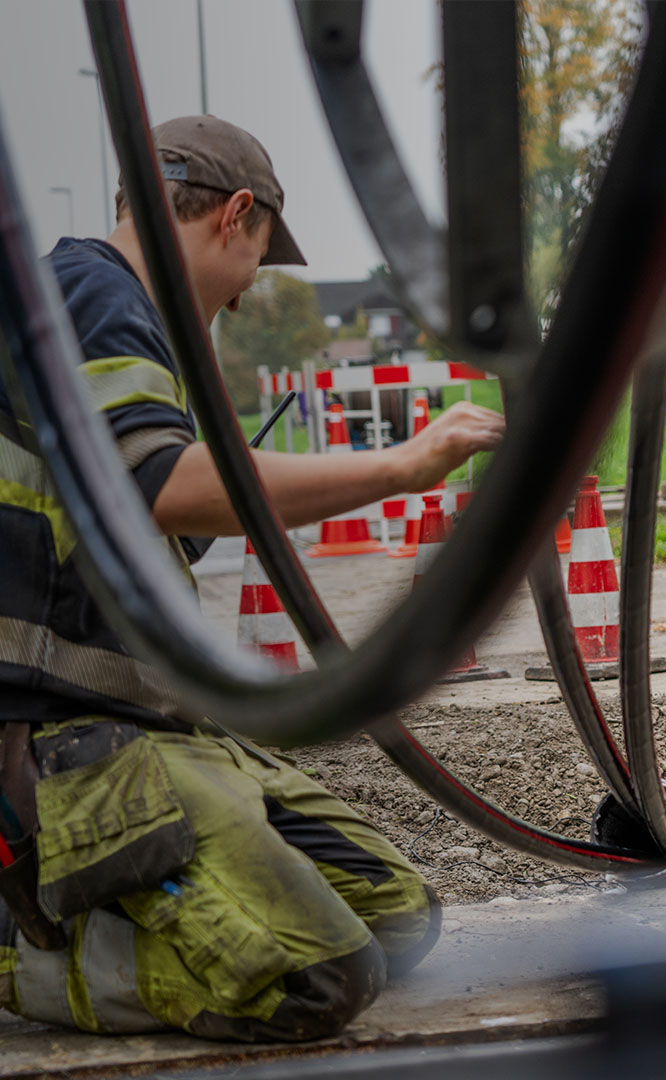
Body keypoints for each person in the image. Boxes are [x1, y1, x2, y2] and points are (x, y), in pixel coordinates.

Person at [0, 116, 505, 1041]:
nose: (243, 298)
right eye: (257, 262)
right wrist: (400, 466)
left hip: (154, 734)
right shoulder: (86, 291)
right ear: (236, 215)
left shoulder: (116, 324)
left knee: (398, 918)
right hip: (59, 748)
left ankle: (115, 904)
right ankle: (23, 944)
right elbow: (165, 481)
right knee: (317, 978)